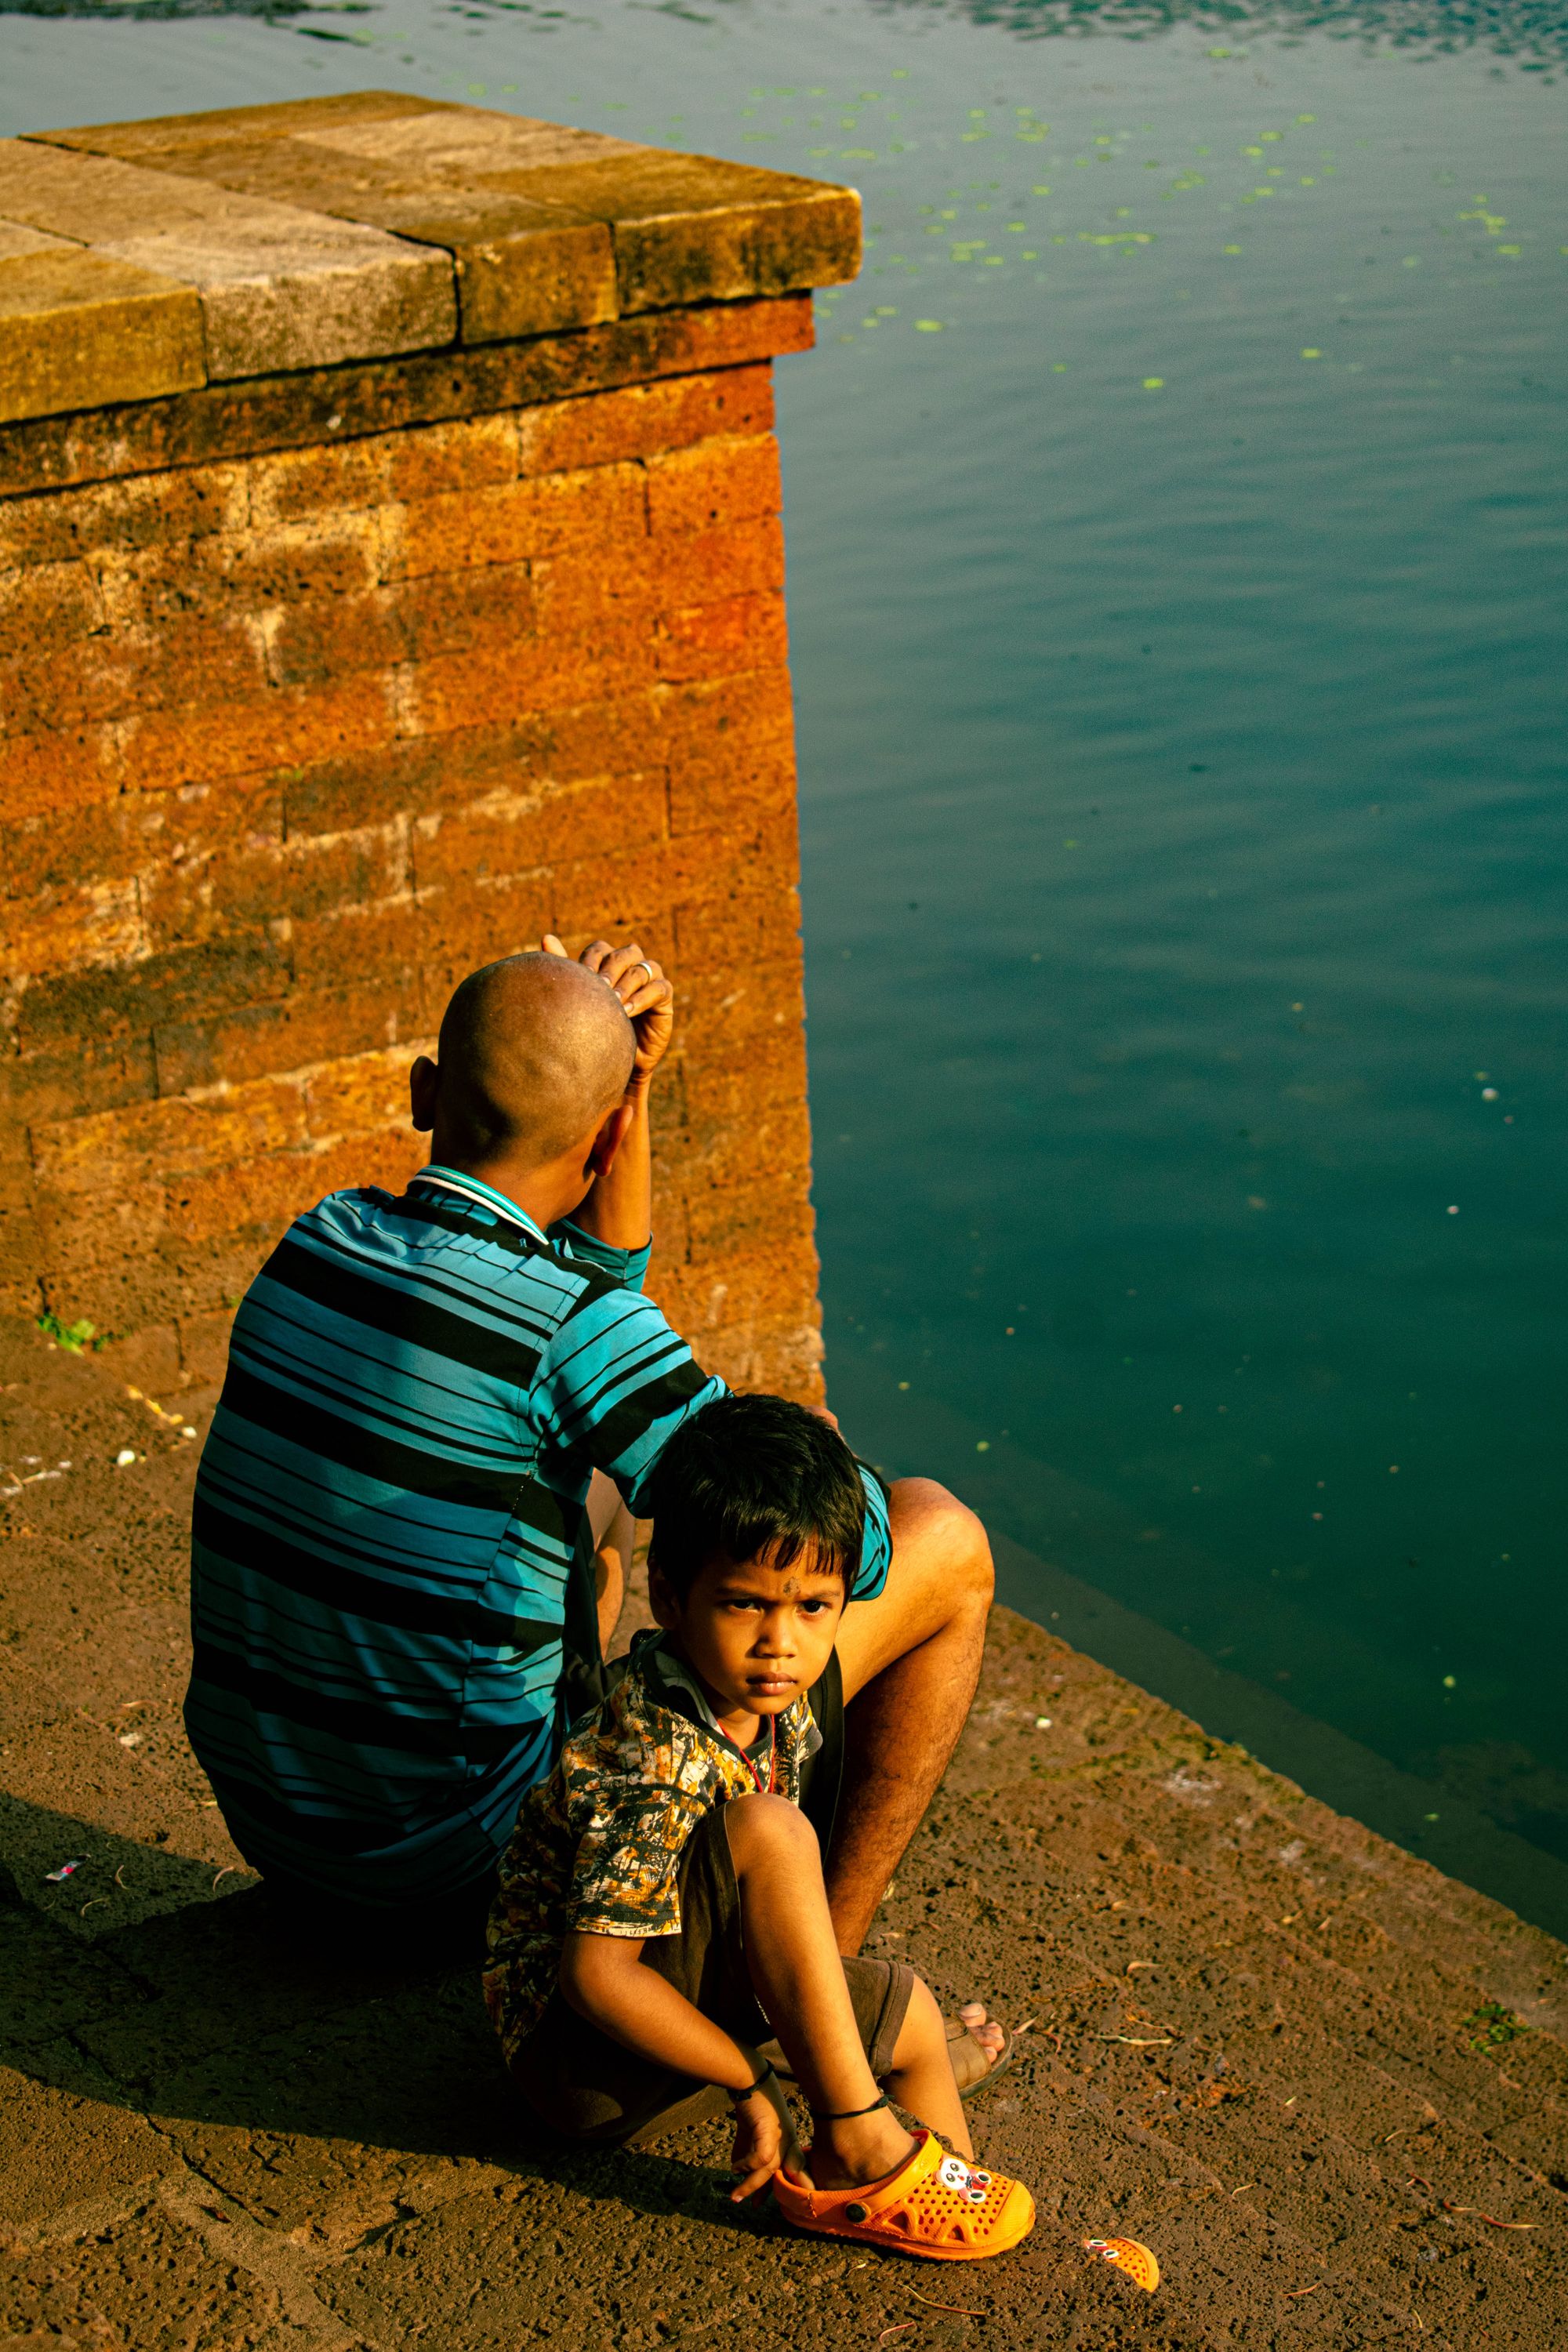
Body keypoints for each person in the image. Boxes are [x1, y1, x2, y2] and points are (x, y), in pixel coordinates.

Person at [185, 935, 996, 1990]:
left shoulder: (320, 1238)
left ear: (426, 1091)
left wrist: (633, 1087)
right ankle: (818, 1991)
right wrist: (826, 1460)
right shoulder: (571, 1328)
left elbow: (598, 1299)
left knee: (602, 1488)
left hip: (285, 1828)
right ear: (605, 1136)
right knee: (941, 1538)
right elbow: (856, 1554)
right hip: (451, 1864)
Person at [485, 1392, 1034, 2261]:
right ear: (668, 1597)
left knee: (917, 2015)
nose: (780, 1643)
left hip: (677, 2008)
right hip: (583, 2066)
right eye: (745, 1606)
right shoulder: (652, 1755)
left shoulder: (761, 1696)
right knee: (772, 1831)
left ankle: (907, 2185)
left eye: (813, 1608)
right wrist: (745, 2081)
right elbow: (593, 1977)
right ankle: (855, 2132)